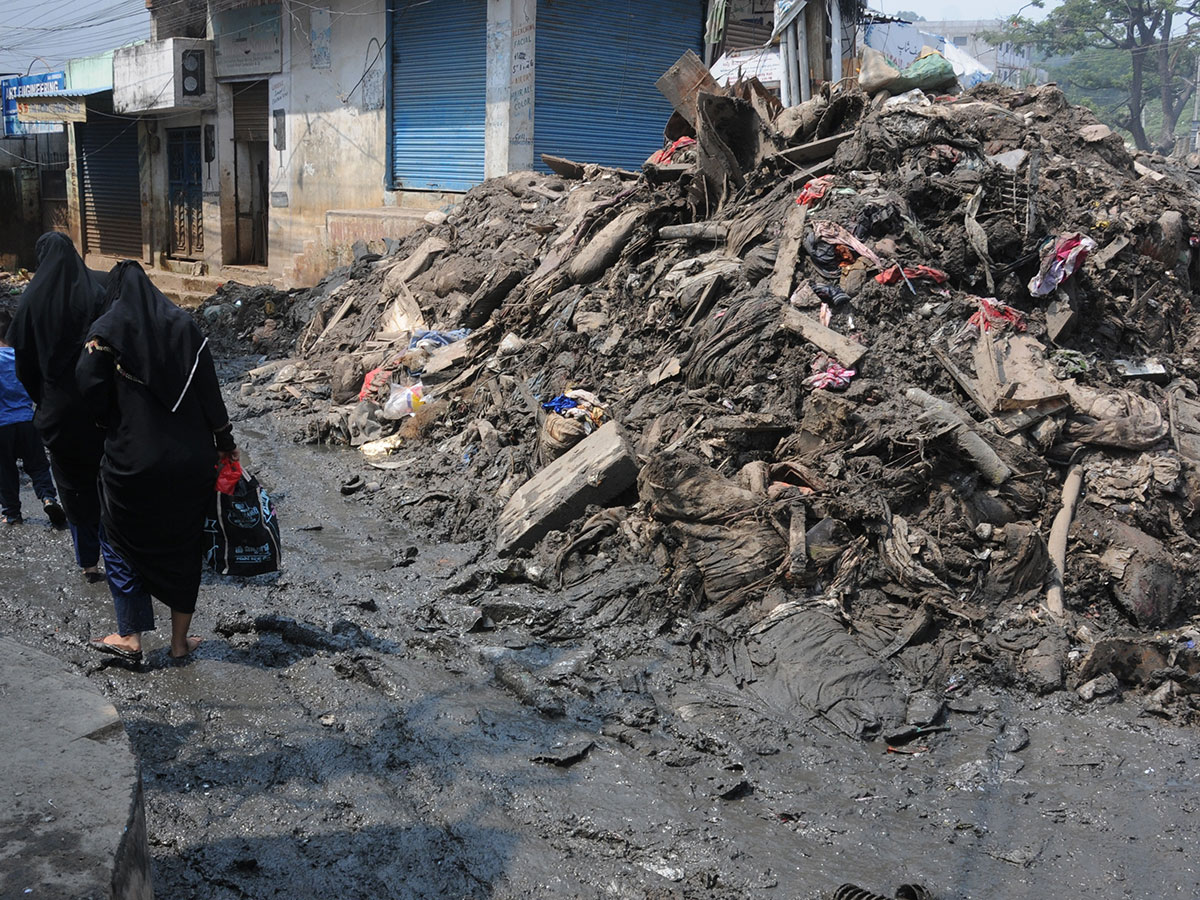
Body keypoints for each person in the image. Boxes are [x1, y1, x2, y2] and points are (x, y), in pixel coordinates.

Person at [77, 260, 238, 663]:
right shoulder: (186, 329)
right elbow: (210, 395)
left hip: (131, 462)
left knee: (118, 541)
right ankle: (180, 643)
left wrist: (106, 419)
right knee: (184, 548)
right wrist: (225, 441)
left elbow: (86, 382)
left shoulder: (105, 335)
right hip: (189, 463)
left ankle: (130, 637)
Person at [8, 233, 109, 580]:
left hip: (58, 414)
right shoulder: (96, 293)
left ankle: (88, 562)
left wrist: (44, 398)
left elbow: (24, 365)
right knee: (107, 480)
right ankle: (119, 553)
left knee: (71, 485)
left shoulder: (31, 300)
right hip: (100, 409)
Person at [0, 310, 68, 527]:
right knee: (38, 465)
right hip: (27, 420)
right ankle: (49, 498)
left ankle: (12, 514)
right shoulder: (23, 357)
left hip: (2, 425)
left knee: (5, 470)